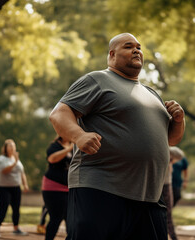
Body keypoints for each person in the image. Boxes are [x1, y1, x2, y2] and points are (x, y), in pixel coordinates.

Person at [49, 32, 185, 240]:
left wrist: (178, 120)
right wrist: (78, 135)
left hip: (149, 197)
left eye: (139, 47)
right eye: (129, 46)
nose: (137, 50)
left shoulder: (152, 93)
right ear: (112, 55)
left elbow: (169, 140)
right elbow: (59, 113)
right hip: (102, 190)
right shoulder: (98, 80)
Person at [0, 139, 29, 238]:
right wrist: (15, 162)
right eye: (10, 146)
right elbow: (4, 171)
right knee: (4, 207)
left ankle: (16, 229)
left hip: (16, 187)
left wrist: (25, 184)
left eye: (13, 146)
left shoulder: (16, 158)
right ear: (5, 148)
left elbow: (22, 172)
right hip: (2, 187)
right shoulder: (1, 159)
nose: (12, 148)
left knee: (16, 208)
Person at [42, 136, 73, 240]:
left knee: (71, 220)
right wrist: (69, 149)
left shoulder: (75, 146)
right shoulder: (54, 146)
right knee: (56, 218)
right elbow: (52, 159)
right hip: (53, 187)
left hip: (69, 188)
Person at [163, 147, 184, 240]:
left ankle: (172, 236)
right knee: (167, 214)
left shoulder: (167, 150)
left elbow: (180, 155)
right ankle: (173, 237)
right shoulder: (164, 150)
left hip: (166, 184)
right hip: (163, 185)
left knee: (167, 213)